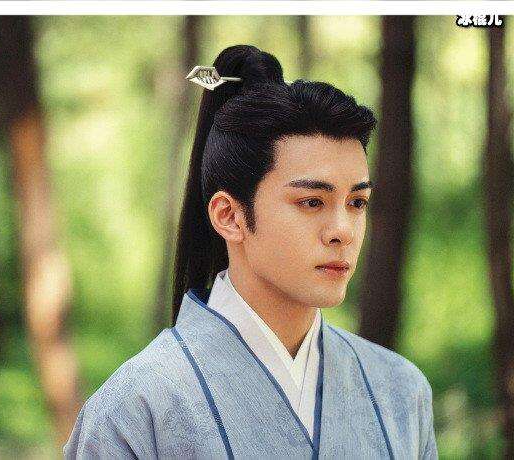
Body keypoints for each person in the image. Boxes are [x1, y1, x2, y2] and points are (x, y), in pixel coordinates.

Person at [63, 44, 437, 459]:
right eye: (312, 202)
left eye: (357, 203)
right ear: (230, 216)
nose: (342, 231)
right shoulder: (136, 408)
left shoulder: (401, 391)